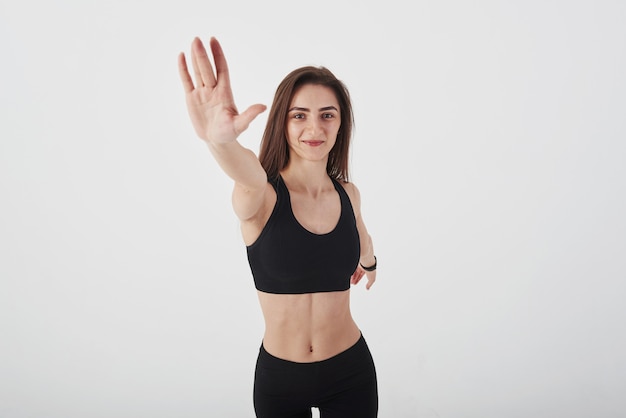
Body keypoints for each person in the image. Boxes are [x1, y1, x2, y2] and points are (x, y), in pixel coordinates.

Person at [178, 36, 379, 418]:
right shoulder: (262, 197)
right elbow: (247, 176)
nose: (314, 127)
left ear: (341, 123)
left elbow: (362, 237)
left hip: (351, 371)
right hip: (281, 382)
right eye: (299, 115)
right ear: (283, 123)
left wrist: (368, 261)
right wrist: (220, 143)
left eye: (327, 114)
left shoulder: (348, 194)